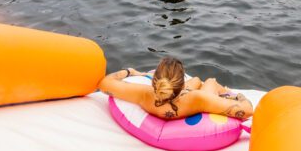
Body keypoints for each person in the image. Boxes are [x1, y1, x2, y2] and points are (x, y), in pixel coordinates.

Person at [97, 57, 253, 120]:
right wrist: (239, 96)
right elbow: (247, 111)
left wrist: (130, 71)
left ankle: (197, 84)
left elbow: (104, 84)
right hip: (188, 104)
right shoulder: (198, 98)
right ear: (181, 85)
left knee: (196, 80)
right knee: (210, 82)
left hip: (178, 98)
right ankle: (224, 92)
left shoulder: (144, 94)